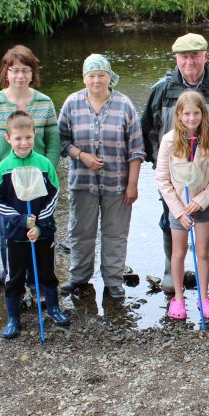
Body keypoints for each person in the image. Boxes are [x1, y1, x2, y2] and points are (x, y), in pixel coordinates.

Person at [142, 33, 209, 291]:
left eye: (195, 56)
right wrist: (161, 163)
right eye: (183, 57)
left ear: (205, 56)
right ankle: (171, 266)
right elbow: (148, 132)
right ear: (176, 59)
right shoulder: (162, 89)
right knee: (170, 219)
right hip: (176, 178)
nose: (189, 62)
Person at [58, 54, 145, 300]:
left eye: (101, 75)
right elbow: (61, 140)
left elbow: (136, 149)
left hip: (117, 184)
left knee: (115, 234)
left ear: (109, 77)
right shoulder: (72, 103)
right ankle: (79, 277)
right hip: (82, 182)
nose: (96, 80)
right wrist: (80, 155)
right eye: (91, 76)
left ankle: (114, 281)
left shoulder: (124, 105)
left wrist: (132, 185)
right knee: (80, 232)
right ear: (84, 78)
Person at [0, 45, 61, 280]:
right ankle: (15, 285)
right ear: (6, 72)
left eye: (25, 70)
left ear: (32, 73)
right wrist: (5, 182)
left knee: (42, 233)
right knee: (11, 236)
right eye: (14, 70)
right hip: (8, 187)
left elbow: (53, 145)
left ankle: (40, 283)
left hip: (39, 185)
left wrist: (46, 175)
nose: (20, 75)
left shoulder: (44, 103)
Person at [0, 111, 69, 338]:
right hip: (15, 234)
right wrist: (22, 221)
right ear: (8, 139)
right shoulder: (3, 168)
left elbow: (54, 196)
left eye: (28, 137)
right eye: (18, 138)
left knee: (47, 272)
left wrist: (40, 224)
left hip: (43, 233)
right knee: (14, 276)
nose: (23, 143)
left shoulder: (43, 164)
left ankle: (53, 308)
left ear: (34, 135)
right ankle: (13, 318)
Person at [155, 91, 209, 320]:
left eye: (196, 113)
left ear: (202, 114)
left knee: (203, 252)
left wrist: (201, 200)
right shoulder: (168, 141)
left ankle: (204, 298)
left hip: (202, 205)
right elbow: (162, 180)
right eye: (186, 114)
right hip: (179, 206)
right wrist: (179, 210)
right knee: (178, 252)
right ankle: (178, 298)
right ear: (179, 115)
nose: (191, 118)